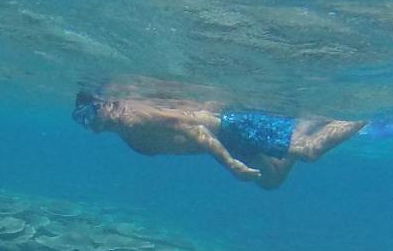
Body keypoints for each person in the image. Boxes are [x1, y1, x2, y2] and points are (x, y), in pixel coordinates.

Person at [72, 80, 366, 189]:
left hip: (228, 127)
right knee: (272, 180)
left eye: (89, 114)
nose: (87, 123)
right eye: (80, 120)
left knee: (308, 151)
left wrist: (230, 164)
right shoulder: (125, 129)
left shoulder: (136, 118)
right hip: (225, 139)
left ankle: (362, 114)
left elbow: (193, 129)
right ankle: (304, 121)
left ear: (105, 105)